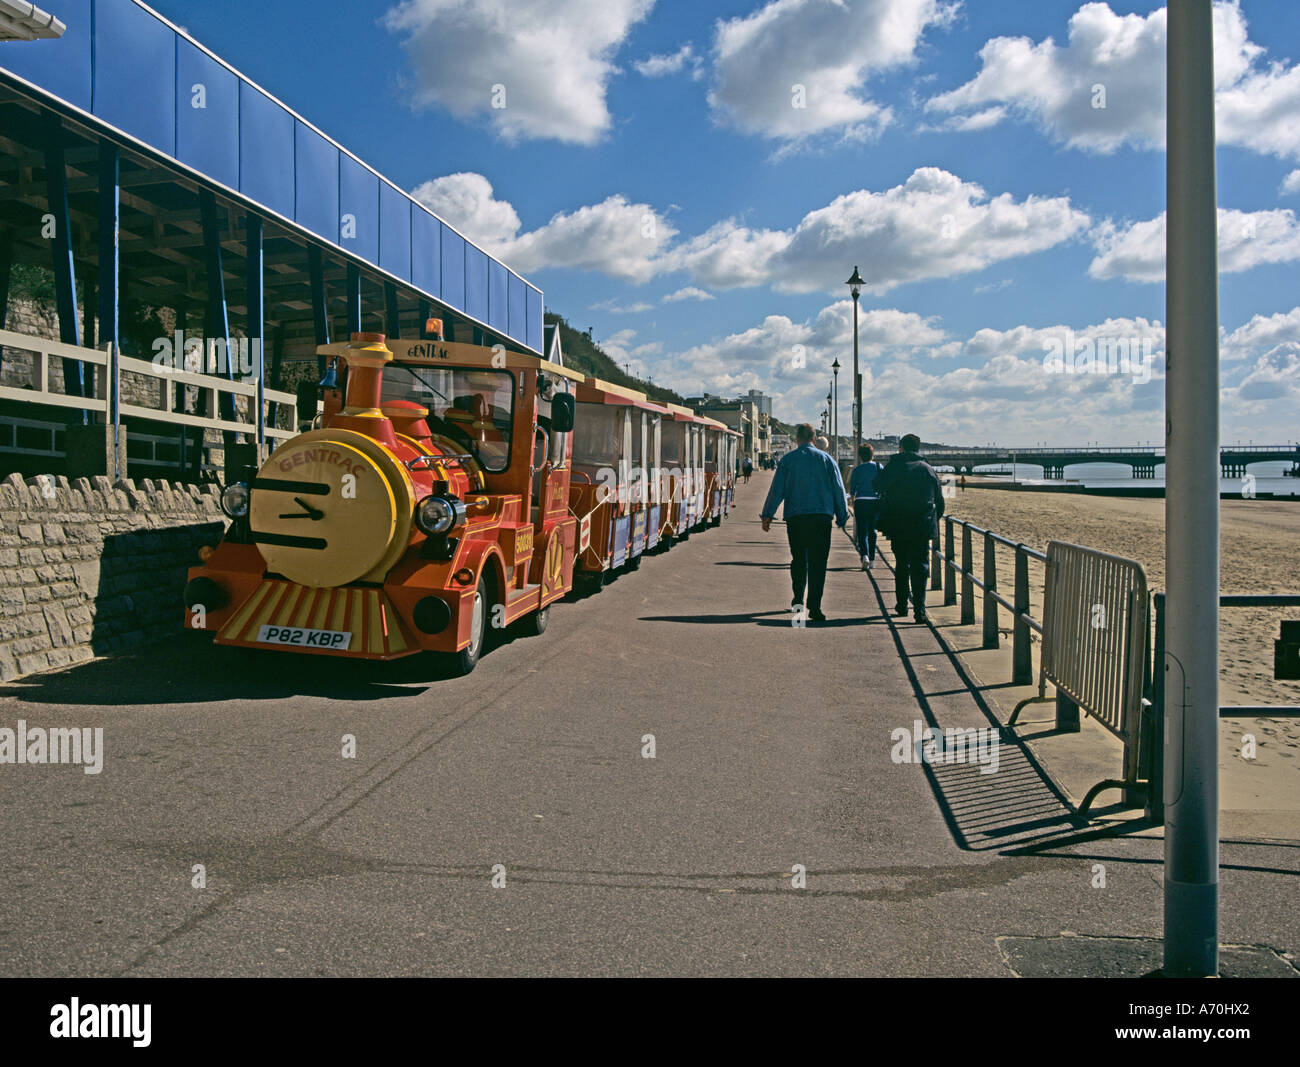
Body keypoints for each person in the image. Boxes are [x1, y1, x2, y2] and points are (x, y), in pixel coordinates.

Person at [760, 423, 848, 623]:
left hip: (796, 517)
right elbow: (838, 489)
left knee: (799, 560)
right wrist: (842, 516)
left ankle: (798, 601)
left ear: (797, 439)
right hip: (821, 517)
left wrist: (767, 515)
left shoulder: (788, 460)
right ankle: (815, 608)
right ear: (814, 439)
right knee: (819, 563)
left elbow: (777, 490)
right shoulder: (827, 460)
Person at [876, 433, 944, 624]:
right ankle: (920, 609)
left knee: (902, 564)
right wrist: (932, 519)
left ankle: (902, 605)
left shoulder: (894, 466)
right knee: (920, 566)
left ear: (901, 448)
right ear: (918, 448)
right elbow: (939, 501)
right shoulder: (927, 469)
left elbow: (878, 485)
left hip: (898, 523)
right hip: (922, 525)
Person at [847, 443, 881, 570]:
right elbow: (883, 483)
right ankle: (872, 559)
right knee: (872, 530)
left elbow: (852, 488)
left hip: (861, 501)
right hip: (874, 501)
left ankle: (864, 556)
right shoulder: (878, 467)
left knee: (862, 531)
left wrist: (851, 498)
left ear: (860, 456)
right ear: (872, 455)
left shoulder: (857, 470)